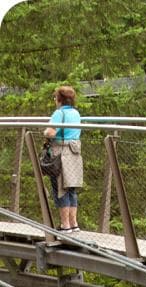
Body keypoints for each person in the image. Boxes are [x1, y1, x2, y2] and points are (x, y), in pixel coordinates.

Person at [44, 85, 83, 232]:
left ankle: (64, 225)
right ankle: (74, 224)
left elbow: (51, 133)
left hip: (61, 153)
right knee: (71, 188)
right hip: (75, 152)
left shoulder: (59, 113)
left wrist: (45, 131)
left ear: (59, 99)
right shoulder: (76, 113)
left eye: (55, 97)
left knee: (60, 188)